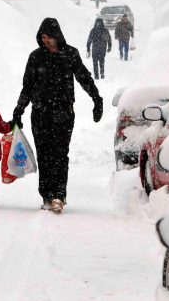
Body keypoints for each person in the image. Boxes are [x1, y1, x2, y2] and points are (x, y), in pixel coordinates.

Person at [12, 18, 103, 214]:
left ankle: (59, 195)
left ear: (57, 36)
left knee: (60, 154)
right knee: (44, 155)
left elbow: (84, 78)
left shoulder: (70, 54)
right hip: (40, 114)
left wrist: (97, 99)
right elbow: (27, 87)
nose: (46, 41)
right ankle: (47, 195)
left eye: (49, 38)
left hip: (64, 113)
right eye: (43, 37)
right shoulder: (36, 57)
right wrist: (18, 110)